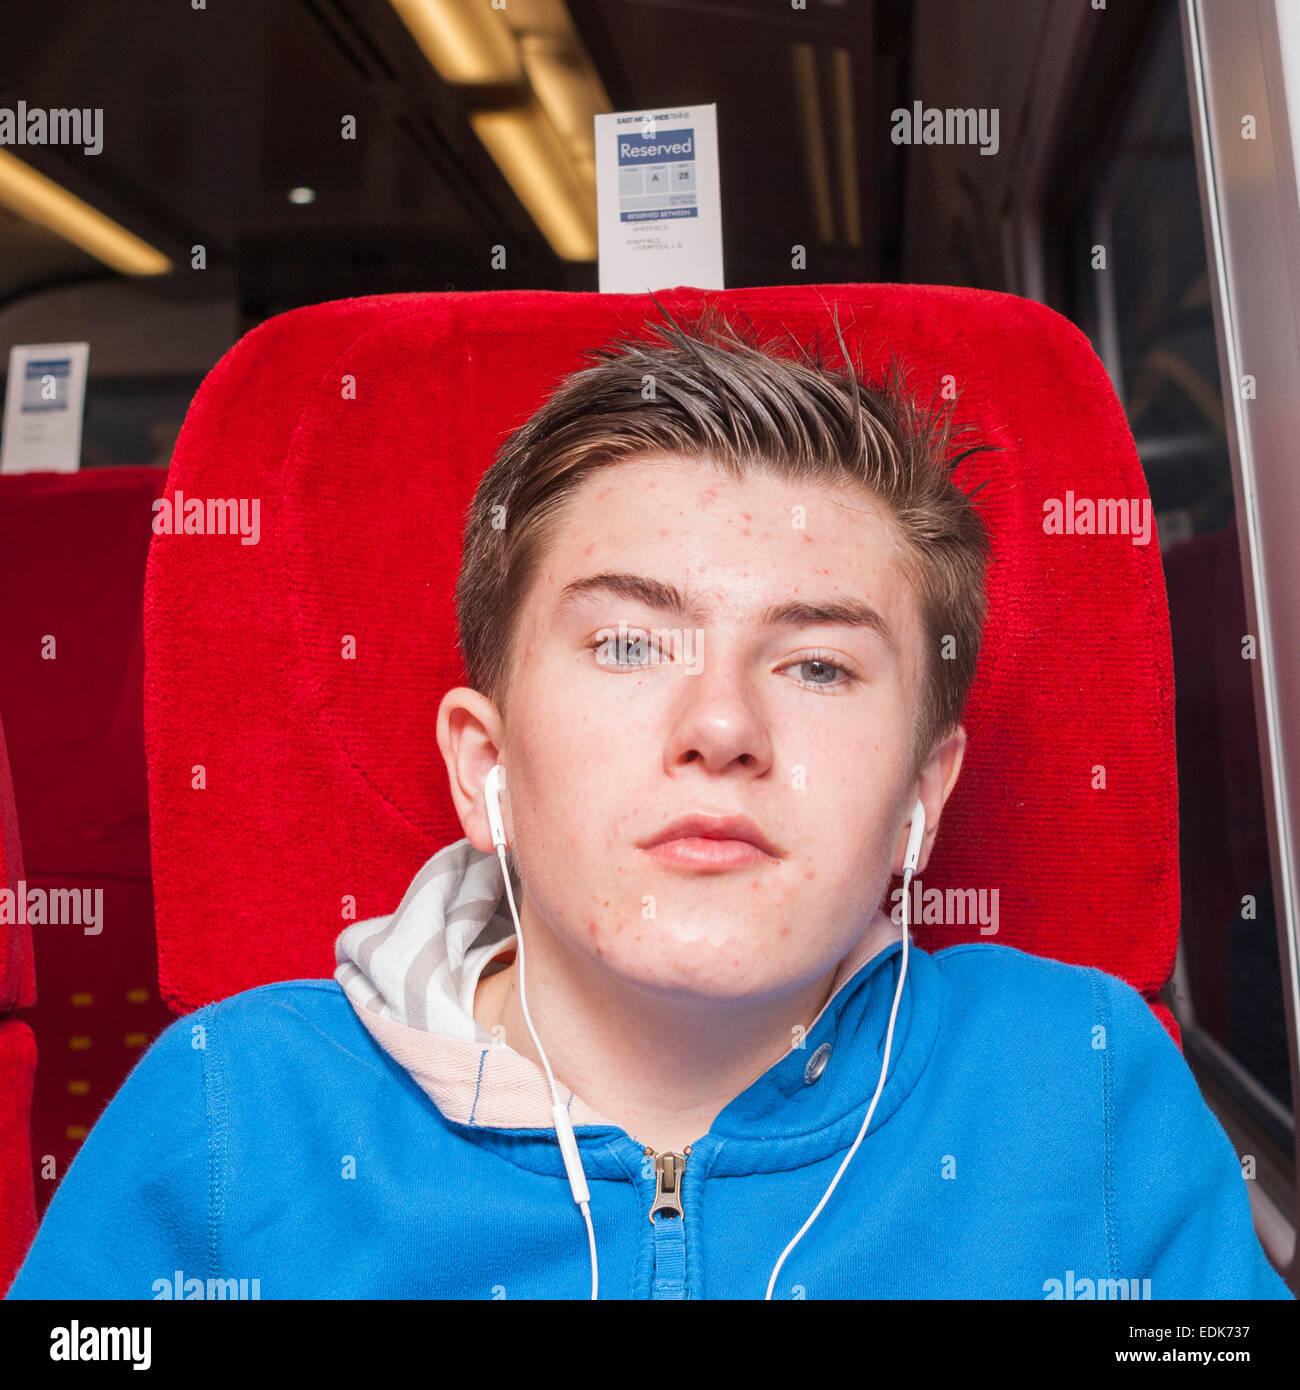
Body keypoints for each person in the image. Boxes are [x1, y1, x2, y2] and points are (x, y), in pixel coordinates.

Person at [7, 306, 1292, 1300]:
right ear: (483, 765)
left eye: (818, 664)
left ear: (921, 793)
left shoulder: (1091, 1084)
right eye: (627, 644)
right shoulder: (227, 1112)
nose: (723, 727)